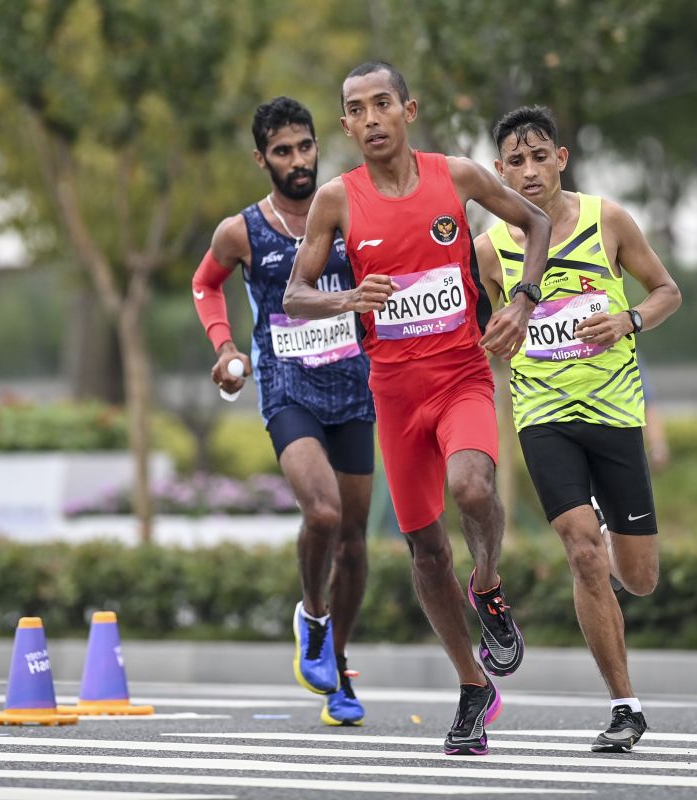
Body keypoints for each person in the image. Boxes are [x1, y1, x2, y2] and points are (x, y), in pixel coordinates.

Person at [283, 62, 551, 756]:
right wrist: (346, 300)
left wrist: (523, 300)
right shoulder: (336, 200)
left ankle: (488, 584)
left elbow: (536, 221)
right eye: (355, 110)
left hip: (461, 375)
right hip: (394, 395)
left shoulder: (455, 176)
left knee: (471, 486)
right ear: (344, 124)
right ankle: (473, 686)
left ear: (408, 109)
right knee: (425, 550)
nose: (370, 119)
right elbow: (295, 294)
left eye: (382, 105)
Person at [474, 105, 681, 753]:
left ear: (561, 159)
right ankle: (625, 706)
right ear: (499, 170)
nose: (529, 171)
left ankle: (610, 557)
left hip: (615, 412)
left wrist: (629, 321)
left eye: (540, 157)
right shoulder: (490, 248)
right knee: (581, 549)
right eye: (515, 161)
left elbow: (667, 291)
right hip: (543, 416)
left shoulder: (607, 220)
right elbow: (483, 333)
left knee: (638, 576)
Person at [192, 97, 373, 726]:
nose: (298, 161)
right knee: (322, 512)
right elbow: (204, 284)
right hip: (287, 386)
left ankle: (338, 665)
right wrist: (224, 347)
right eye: (283, 151)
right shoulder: (241, 230)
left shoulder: (350, 211)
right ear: (261, 158)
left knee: (354, 541)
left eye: (306, 147)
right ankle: (312, 617)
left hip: (355, 390)